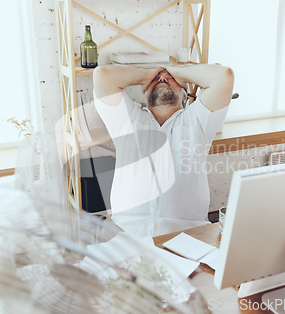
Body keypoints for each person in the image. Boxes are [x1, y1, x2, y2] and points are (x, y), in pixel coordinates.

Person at [93, 64, 234, 237]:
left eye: (171, 79)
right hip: (127, 234)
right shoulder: (127, 119)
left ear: (185, 96)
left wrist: (178, 73)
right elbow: (102, 75)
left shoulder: (196, 121)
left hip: (188, 235)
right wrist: (146, 75)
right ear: (144, 91)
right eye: (156, 79)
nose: (162, 79)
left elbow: (224, 76)